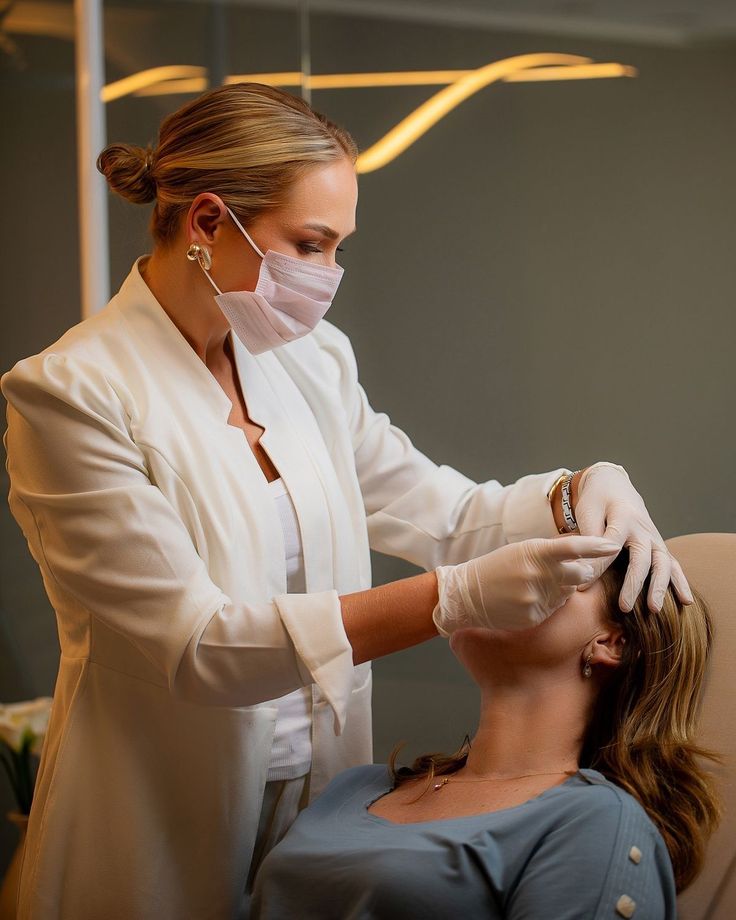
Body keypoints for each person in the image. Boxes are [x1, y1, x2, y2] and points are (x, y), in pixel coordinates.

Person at [1, 83, 692, 920]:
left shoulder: (310, 361)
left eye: (338, 247)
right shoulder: (72, 395)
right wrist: (453, 597)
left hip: (321, 806)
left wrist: (578, 489)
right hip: (151, 816)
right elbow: (197, 650)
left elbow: (441, 513)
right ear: (209, 223)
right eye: (311, 243)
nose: (328, 277)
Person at [250, 551, 719, 920]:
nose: (507, 577)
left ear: (612, 643)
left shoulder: (598, 823)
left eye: (560, 574)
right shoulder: (358, 787)